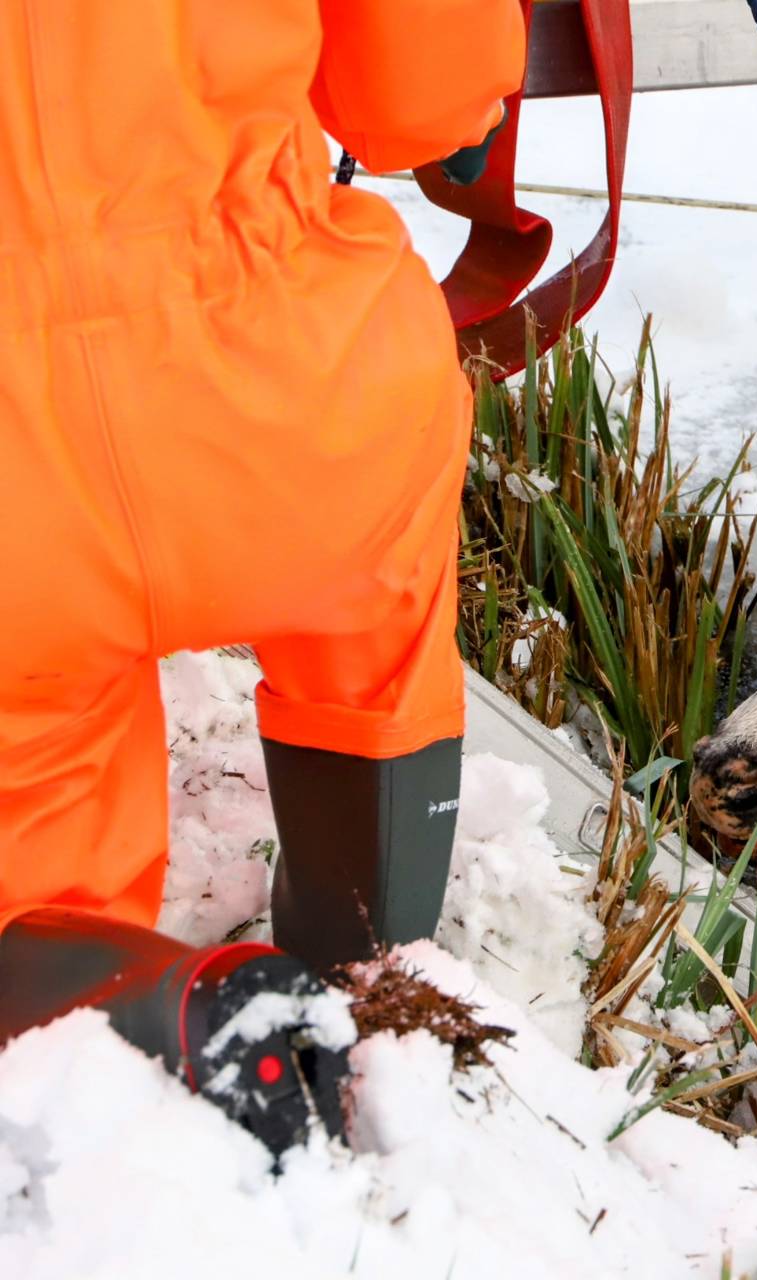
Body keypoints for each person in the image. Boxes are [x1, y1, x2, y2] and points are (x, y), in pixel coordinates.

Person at [0, 0, 526, 1152]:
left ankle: (132, 998)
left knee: (25, 845)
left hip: (16, 504)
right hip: (284, 386)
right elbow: (424, 100)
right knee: (379, 616)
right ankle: (365, 952)